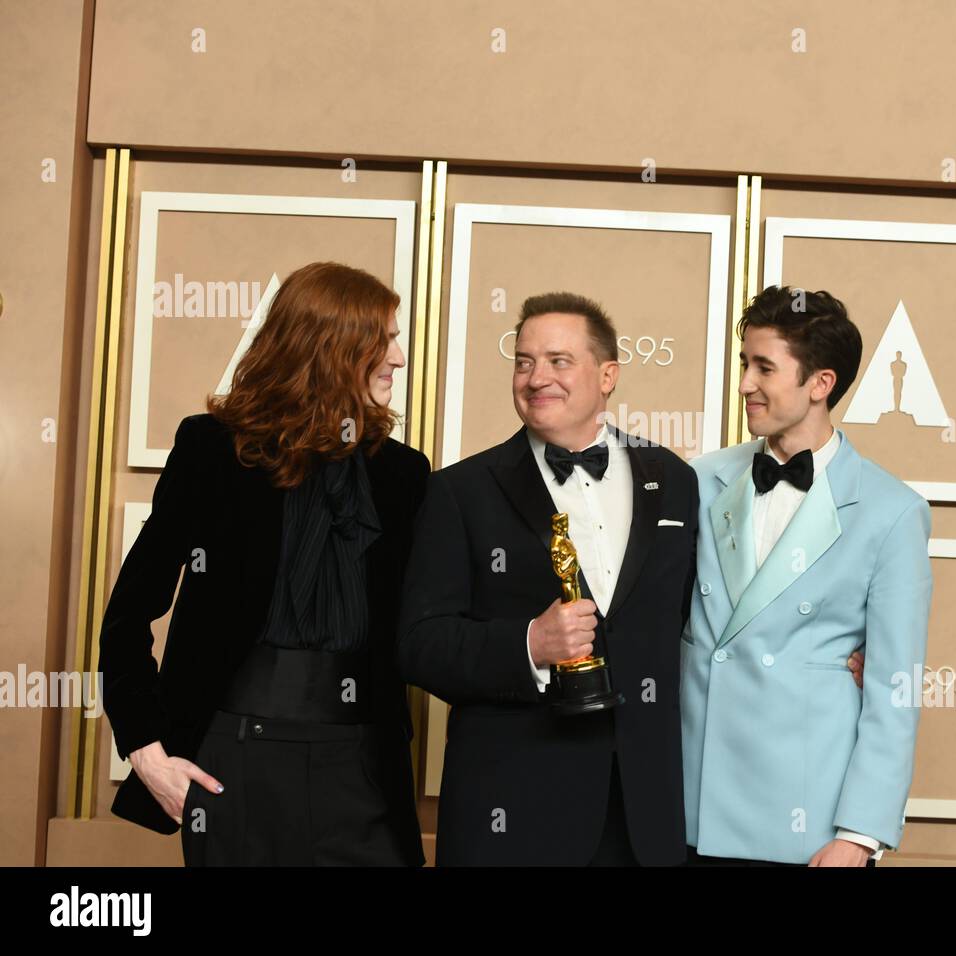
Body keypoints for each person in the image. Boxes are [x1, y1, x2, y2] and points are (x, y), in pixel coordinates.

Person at [100, 261, 430, 865]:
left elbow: (424, 626)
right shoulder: (212, 450)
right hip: (232, 761)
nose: (400, 357)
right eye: (384, 339)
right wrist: (145, 749)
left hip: (363, 768)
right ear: (329, 346)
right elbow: (128, 613)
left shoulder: (404, 474)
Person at [398, 291, 698, 865]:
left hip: (645, 818)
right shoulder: (460, 492)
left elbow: (703, 616)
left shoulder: (676, 479)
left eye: (559, 361)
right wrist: (528, 645)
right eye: (524, 361)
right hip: (513, 813)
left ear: (608, 374)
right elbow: (419, 644)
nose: (537, 378)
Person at [681, 285, 934, 867]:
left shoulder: (892, 511)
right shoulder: (698, 479)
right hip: (691, 806)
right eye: (745, 363)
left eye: (764, 367)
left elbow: (895, 692)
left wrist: (860, 834)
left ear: (820, 384)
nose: (745, 382)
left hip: (808, 822)